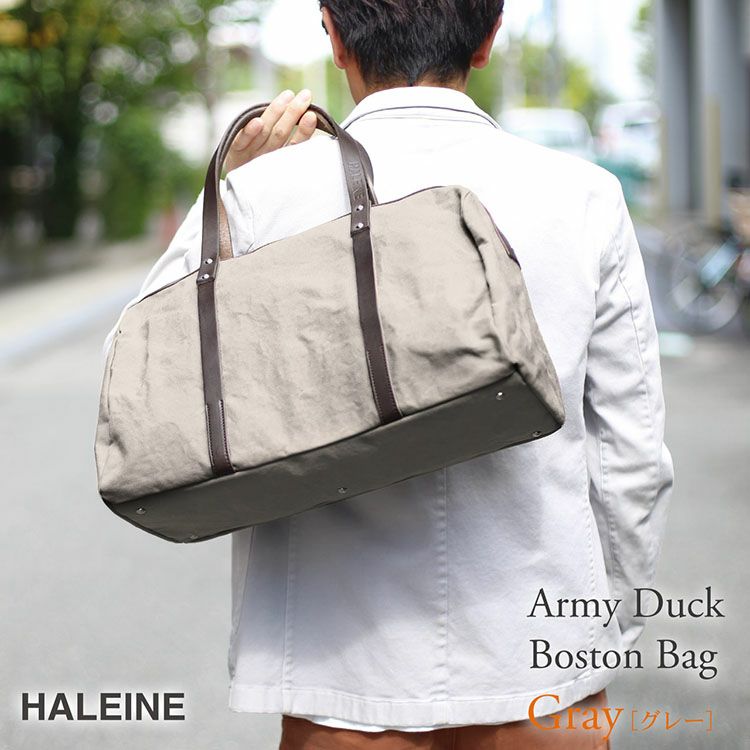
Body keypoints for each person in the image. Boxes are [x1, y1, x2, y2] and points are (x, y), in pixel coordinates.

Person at [103, 1, 674, 747]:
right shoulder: (583, 195)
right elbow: (631, 458)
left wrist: (228, 198)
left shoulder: (264, 192)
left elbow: (140, 383)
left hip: (336, 676)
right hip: (538, 668)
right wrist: (601, 630)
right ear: (488, 38)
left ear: (334, 36)